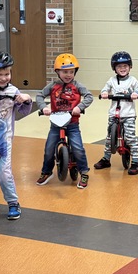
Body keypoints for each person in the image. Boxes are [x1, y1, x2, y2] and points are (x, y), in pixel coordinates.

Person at [0, 51, 33, 219]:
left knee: (3, 171)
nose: (3, 78)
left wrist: (25, 99)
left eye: (6, 74)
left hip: (3, 138)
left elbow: (23, 110)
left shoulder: (12, 90)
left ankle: (12, 202)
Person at [36, 53, 93, 189]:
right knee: (49, 149)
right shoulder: (52, 86)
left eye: (71, 72)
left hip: (72, 124)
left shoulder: (77, 86)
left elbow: (89, 96)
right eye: (65, 72)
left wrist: (79, 107)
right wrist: (44, 108)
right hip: (56, 124)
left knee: (78, 148)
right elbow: (39, 95)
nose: (68, 75)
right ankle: (46, 171)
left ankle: (84, 172)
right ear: (57, 72)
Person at [93, 50, 138, 175]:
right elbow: (105, 89)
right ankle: (106, 159)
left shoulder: (132, 80)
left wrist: (136, 94)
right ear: (114, 68)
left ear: (130, 67)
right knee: (109, 138)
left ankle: (136, 162)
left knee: (130, 138)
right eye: (119, 66)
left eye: (125, 66)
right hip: (114, 114)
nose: (122, 68)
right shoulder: (112, 81)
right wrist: (104, 93)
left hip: (128, 115)